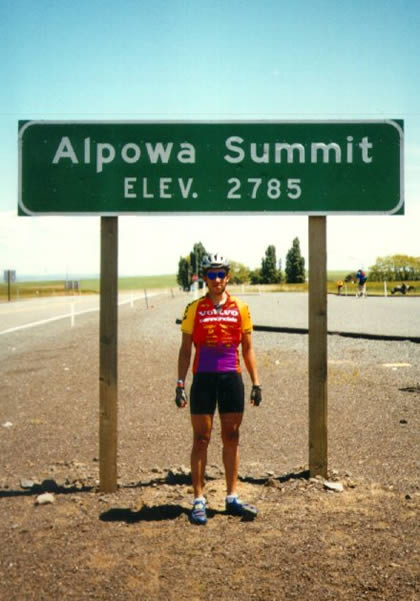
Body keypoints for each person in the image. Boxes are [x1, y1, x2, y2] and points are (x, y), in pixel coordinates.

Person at [175, 253, 262, 525]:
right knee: (201, 438)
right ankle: (199, 499)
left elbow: (247, 349)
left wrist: (256, 382)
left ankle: (232, 496)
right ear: (205, 278)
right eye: (211, 275)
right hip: (202, 378)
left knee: (232, 436)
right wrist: (180, 383)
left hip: (231, 378)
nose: (216, 279)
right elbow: (185, 349)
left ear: (228, 277)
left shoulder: (241, 308)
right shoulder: (194, 308)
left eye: (221, 274)